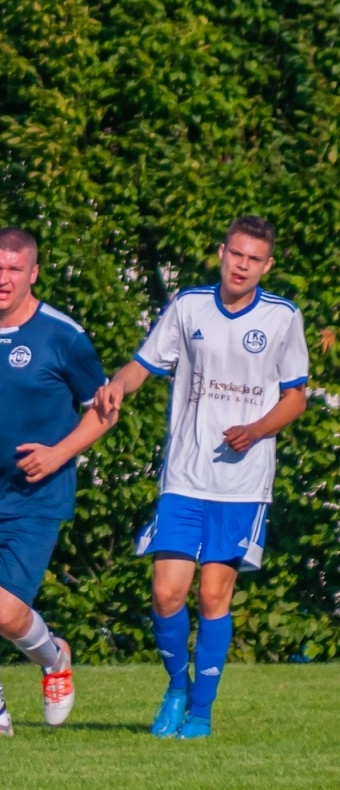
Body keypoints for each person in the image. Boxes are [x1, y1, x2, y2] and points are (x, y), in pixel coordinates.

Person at [93, 216, 308, 739]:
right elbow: (142, 364)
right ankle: (176, 688)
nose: (242, 266)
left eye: (254, 259)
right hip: (185, 478)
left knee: (213, 596)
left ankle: (201, 714)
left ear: (266, 266)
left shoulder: (282, 317)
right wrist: (117, 384)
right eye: (236, 254)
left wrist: (255, 430)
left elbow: (295, 398)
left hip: (241, 485)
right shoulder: (189, 305)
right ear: (221, 253)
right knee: (166, 593)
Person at [0, 227, 116, 738]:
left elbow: (103, 412)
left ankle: (55, 659)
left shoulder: (63, 335)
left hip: (35, 498)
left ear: (33, 273)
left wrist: (57, 455)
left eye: (14, 269)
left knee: (6, 613)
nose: (2, 278)